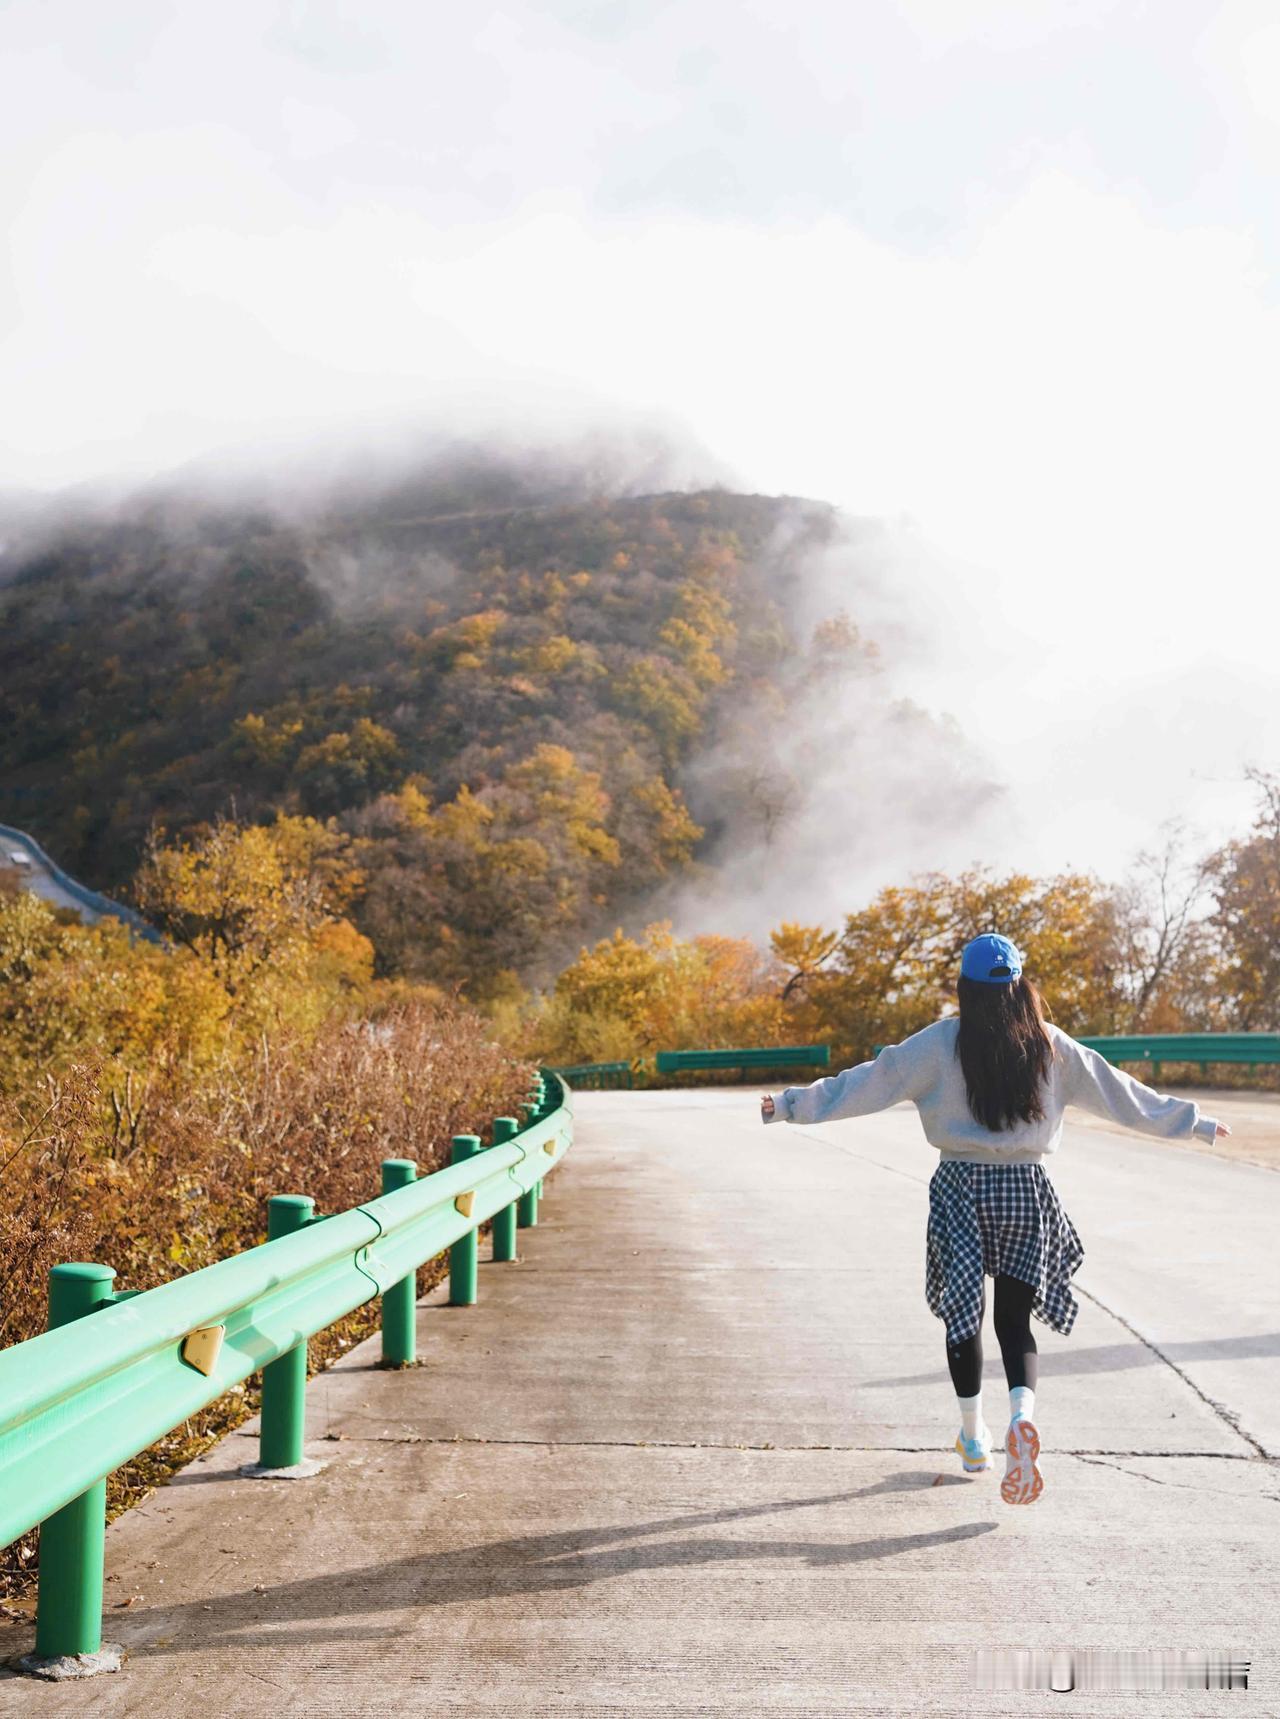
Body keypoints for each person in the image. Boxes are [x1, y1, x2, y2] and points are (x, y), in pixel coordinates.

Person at [759, 933, 1231, 1505]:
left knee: (964, 1316)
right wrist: (1193, 1122)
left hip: (959, 1187)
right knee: (1014, 1320)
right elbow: (1120, 1093)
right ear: (1019, 985)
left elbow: (868, 1082)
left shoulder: (939, 1044)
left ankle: (972, 1438)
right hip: (1025, 1189)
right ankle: (1021, 1418)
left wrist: (790, 1105)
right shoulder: (1050, 1045)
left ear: (965, 987)